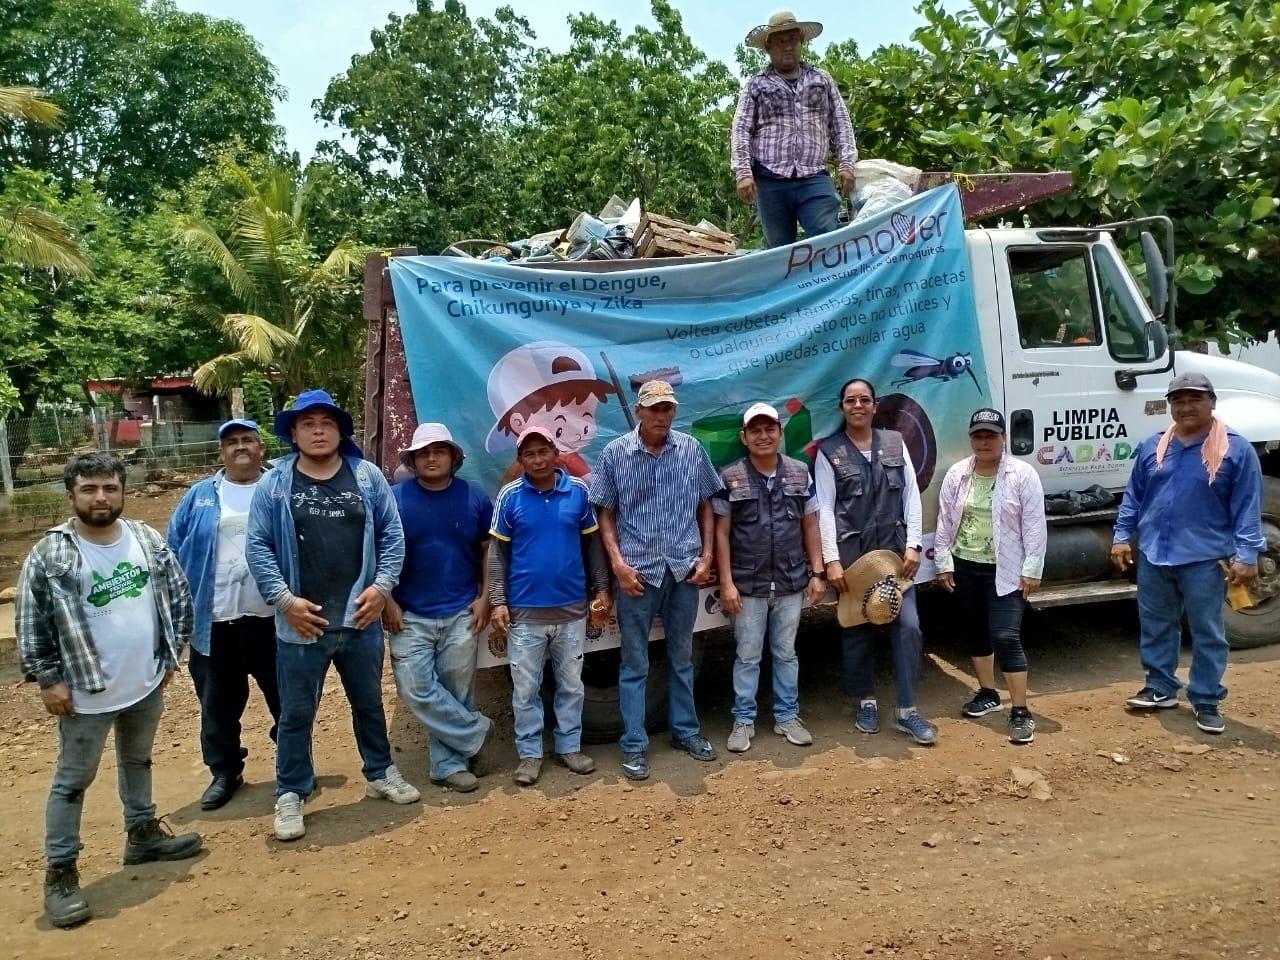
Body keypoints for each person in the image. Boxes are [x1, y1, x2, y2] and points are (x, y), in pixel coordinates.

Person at [17, 453, 202, 929]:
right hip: (83, 695)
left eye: (109, 488)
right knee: (72, 783)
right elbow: (31, 622)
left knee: (138, 761)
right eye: (89, 489)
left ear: (123, 491)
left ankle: (142, 835)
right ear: (71, 496)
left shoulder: (145, 539)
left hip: (143, 683)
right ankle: (60, 874)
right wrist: (48, 679)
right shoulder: (52, 553)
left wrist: (170, 655)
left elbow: (177, 595)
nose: (101, 497)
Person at [245, 389, 417, 843]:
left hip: (358, 621)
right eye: (307, 423)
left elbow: (392, 537)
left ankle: (380, 773)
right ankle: (291, 792)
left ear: (341, 430)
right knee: (297, 713)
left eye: (326, 422)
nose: (318, 430)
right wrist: (285, 602)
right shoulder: (275, 484)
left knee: (369, 704)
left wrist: (381, 589)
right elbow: (258, 546)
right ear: (294, 433)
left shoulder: (367, 477)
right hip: (302, 624)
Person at [1111, 373, 1264, 734]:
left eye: (1194, 399)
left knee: (1207, 631)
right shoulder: (1153, 446)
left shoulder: (1236, 450)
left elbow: (1247, 506)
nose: (1186, 407)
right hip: (1154, 553)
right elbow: (1133, 496)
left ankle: (1207, 699)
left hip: (1204, 557)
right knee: (1156, 624)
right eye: (1178, 401)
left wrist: (1247, 555)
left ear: (1212, 402)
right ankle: (1161, 687)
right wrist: (1121, 537)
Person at [591, 379, 725, 780]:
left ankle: (686, 731)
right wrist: (617, 565)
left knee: (681, 656)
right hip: (638, 574)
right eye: (654, 409)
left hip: (683, 569)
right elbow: (605, 514)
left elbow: (707, 503)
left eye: (667, 408)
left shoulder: (690, 450)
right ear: (639, 412)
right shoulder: (616, 454)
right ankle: (634, 744)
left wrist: (706, 556)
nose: (661, 415)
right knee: (635, 662)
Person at [167, 418, 282, 810]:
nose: (240, 447)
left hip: (273, 619)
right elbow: (173, 550)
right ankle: (225, 771)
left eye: (248, 440)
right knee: (217, 703)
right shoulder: (200, 496)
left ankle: (292, 762)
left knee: (287, 696)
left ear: (260, 448)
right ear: (222, 453)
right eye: (231, 442)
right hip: (215, 621)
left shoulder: (281, 488)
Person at [815, 378, 937, 744]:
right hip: (853, 559)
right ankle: (865, 700)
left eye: (864, 400)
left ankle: (907, 710)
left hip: (894, 558)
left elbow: (912, 498)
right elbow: (823, 509)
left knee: (909, 627)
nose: (857, 406)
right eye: (850, 400)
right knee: (856, 630)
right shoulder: (829, 452)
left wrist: (914, 545)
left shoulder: (895, 444)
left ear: (874, 405)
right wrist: (831, 560)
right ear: (841, 408)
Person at [488, 426, 611, 786]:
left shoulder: (578, 492)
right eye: (530, 454)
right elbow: (498, 553)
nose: (538, 459)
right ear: (520, 460)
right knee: (525, 689)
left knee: (571, 684)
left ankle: (569, 747)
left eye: (544, 451)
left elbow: (593, 547)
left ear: (556, 454)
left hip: (573, 612)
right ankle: (529, 755)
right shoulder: (510, 497)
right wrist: (498, 601)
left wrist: (602, 590)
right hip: (525, 614)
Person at [383, 422, 493, 793]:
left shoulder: (474, 498)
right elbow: (377, 555)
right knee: (414, 689)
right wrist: (388, 601)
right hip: (409, 614)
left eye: (439, 451)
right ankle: (476, 732)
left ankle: (448, 764)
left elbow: (488, 552)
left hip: (462, 609)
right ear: (413, 461)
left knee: (456, 690)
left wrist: (485, 597)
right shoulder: (394, 499)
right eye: (423, 453)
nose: (431, 458)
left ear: (453, 458)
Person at [713, 402, 826, 753]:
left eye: (769, 429)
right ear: (743, 437)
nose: (763, 436)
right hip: (747, 586)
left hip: (792, 582)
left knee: (786, 653)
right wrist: (727, 583)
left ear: (780, 433)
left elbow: (810, 524)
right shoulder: (729, 476)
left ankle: (787, 716)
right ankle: (743, 720)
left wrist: (817, 572)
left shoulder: (799, 472)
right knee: (747, 655)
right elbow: (721, 533)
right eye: (755, 430)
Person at [932, 409, 1047, 744]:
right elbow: (946, 520)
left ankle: (1021, 711)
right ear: (971, 439)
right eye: (978, 436)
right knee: (975, 632)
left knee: (1006, 635)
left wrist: (1032, 568)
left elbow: (1034, 525)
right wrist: (943, 561)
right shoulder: (958, 474)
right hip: (965, 565)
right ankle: (987, 693)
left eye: (991, 436)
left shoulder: (1023, 475)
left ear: (1003, 439)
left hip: (1008, 568)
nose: (984, 442)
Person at [730, 9, 857, 248]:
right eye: (780, 42)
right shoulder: (756, 85)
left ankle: (825, 284)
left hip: (814, 176)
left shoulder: (821, 79)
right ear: (768, 48)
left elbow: (841, 121)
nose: (788, 47)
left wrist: (847, 163)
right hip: (770, 180)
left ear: (801, 42)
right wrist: (743, 173)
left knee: (826, 237)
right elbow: (741, 129)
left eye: (793, 40)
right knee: (779, 250)